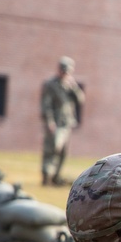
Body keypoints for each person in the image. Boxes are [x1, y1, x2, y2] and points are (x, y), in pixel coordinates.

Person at [40, 56, 85, 187]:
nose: (65, 73)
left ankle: (56, 176)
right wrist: (49, 121)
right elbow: (46, 105)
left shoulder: (70, 85)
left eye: (68, 71)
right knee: (52, 149)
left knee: (63, 152)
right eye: (63, 70)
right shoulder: (50, 84)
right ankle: (46, 176)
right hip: (55, 123)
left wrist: (74, 87)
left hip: (67, 123)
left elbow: (80, 100)